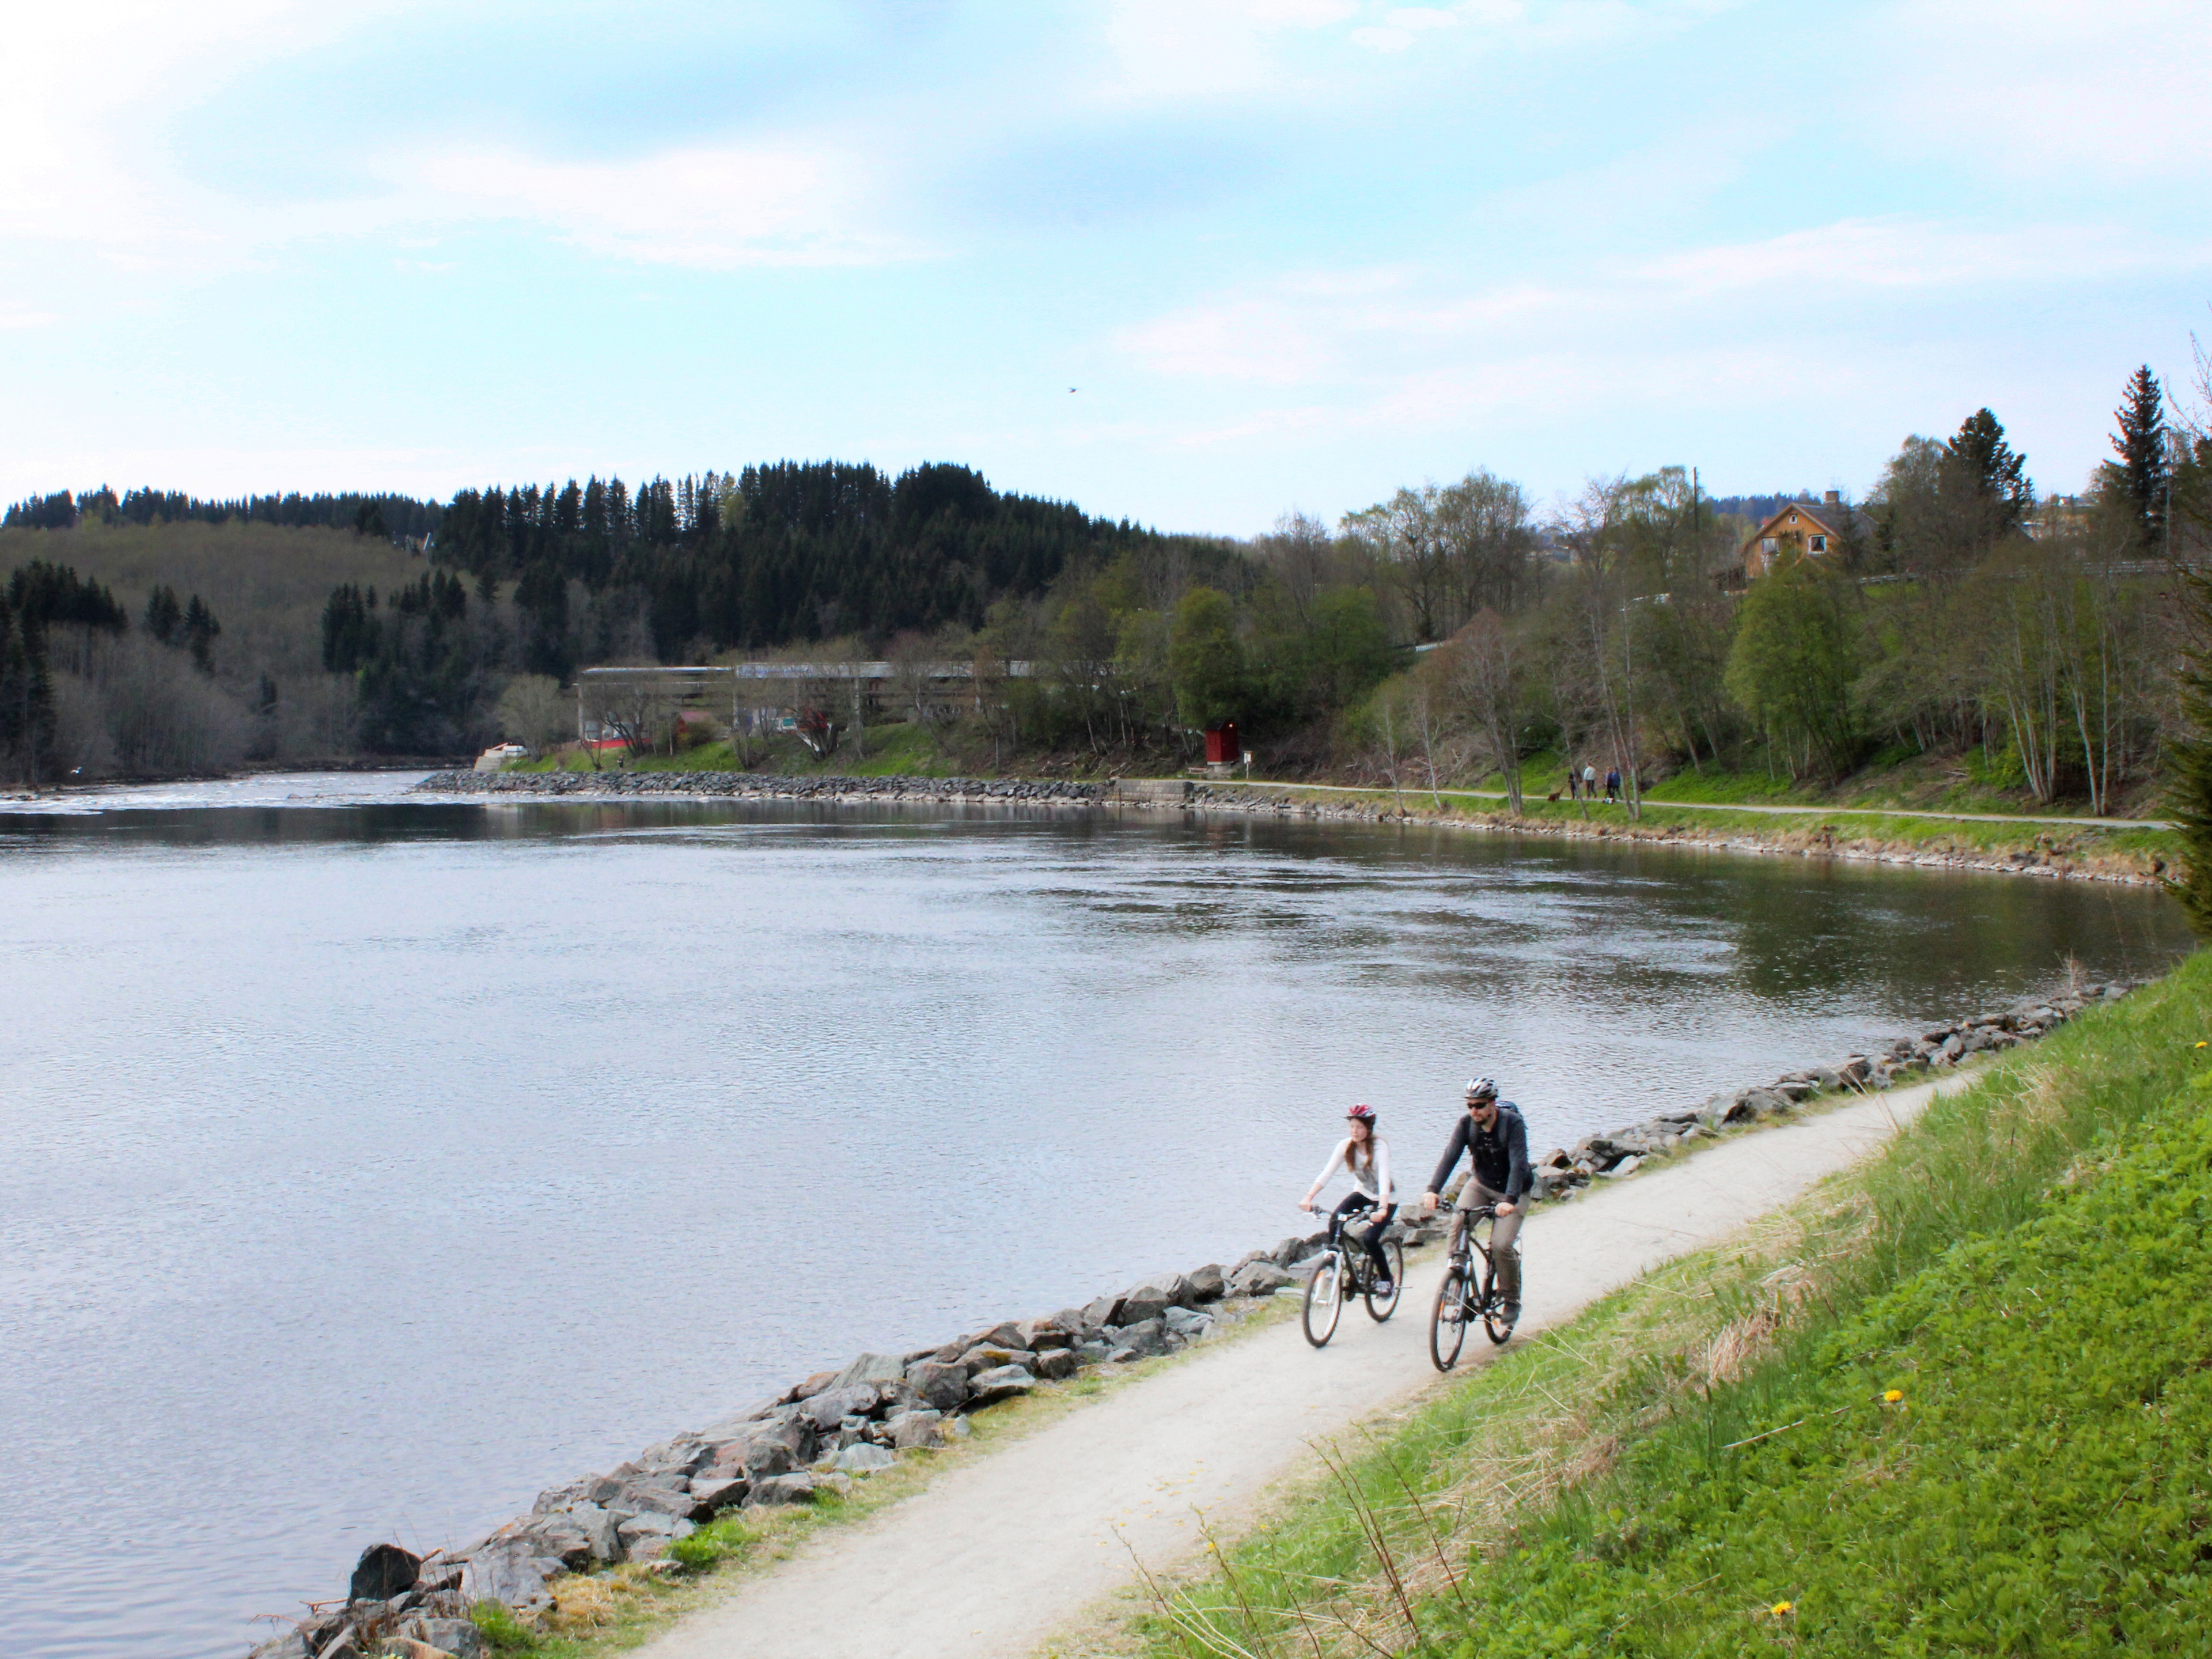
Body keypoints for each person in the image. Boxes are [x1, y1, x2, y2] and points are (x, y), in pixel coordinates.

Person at [1421, 1077, 1530, 1325]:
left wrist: (1510, 1200)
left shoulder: (1512, 1124)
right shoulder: (1466, 1124)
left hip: (1513, 1192)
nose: (1474, 1111)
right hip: (1481, 1184)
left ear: (1493, 1104)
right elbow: (1450, 1156)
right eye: (1470, 1105)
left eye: (1480, 1105)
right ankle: (1457, 1281)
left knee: (1501, 1245)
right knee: (1458, 1221)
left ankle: (1511, 1300)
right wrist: (1433, 1189)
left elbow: (1518, 1165)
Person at [1301, 1103, 1396, 1298]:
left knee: (1370, 1239)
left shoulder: (1380, 1147)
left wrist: (1384, 1208)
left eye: (1359, 1127)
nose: (1355, 1131)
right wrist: (1309, 1197)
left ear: (1369, 1128)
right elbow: (1327, 1173)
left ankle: (1387, 1280)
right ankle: (1335, 1264)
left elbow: (1384, 1177)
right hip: (1363, 1193)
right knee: (1335, 1219)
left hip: (1388, 1198)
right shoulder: (1346, 1146)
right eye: (1352, 1126)